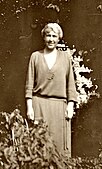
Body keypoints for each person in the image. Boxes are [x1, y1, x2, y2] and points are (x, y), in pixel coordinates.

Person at [25, 23, 77, 155]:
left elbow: (70, 83)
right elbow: (29, 85)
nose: (51, 39)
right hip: (39, 106)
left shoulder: (66, 57)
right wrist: (30, 107)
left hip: (59, 108)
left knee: (59, 150)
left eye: (54, 36)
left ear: (59, 38)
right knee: (38, 148)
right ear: (44, 37)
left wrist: (70, 106)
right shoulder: (35, 56)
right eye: (48, 35)